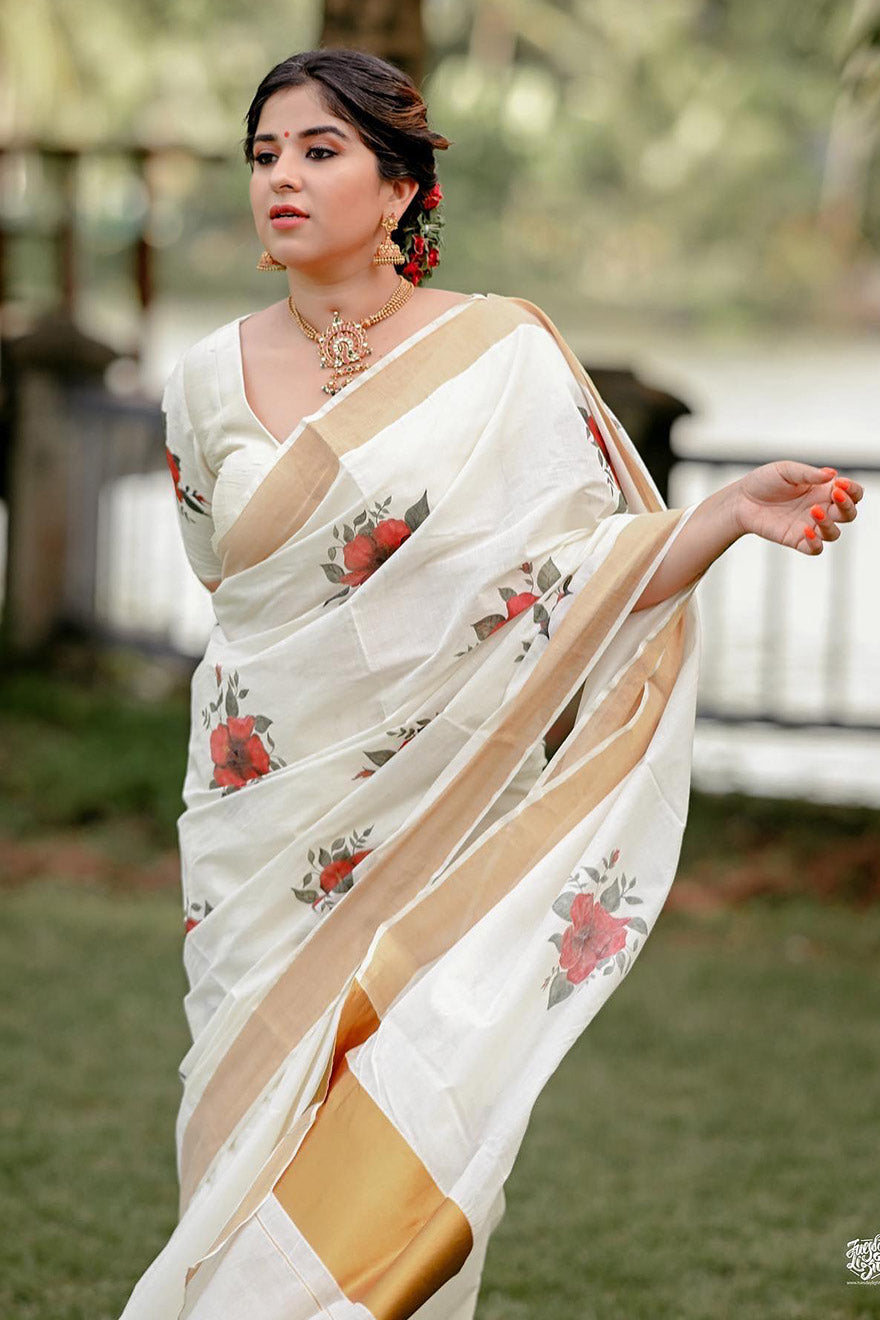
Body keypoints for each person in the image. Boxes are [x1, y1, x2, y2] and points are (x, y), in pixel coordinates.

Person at [124, 46, 863, 1320]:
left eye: (319, 151)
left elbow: (572, 576)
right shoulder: (201, 379)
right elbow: (232, 589)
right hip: (262, 821)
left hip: (440, 809)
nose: (280, 177)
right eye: (263, 154)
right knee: (239, 1117)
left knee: (405, 1113)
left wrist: (727, 513)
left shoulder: (500, 357)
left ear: (401, 187)